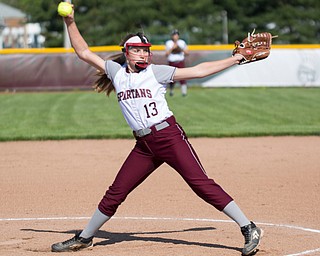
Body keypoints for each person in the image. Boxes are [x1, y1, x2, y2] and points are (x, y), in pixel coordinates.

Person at [51, 5, 263, 256]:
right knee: (116, 192)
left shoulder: (156, 72)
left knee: (200, 184)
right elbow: (83, 51)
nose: (142, 55)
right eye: (136, 50)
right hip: (144, 146)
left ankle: (248, 227)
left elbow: (197, 71)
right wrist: (70, 21)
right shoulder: (116, 73)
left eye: (145, 51)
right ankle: (85, 238)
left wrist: (236, 58)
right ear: (126, 53)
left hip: (169, 137)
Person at [165, 29, 189, 97]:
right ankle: (171, 91)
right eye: (174, 35)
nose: (175, 36)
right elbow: (166, 54)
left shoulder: (182, 42)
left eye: (176, 35)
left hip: (180, 61)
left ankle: (184, 92)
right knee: (172, 78)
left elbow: (187, 53)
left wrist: (179, 48)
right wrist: (172, 48)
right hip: (172, 61)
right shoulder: (169, 43)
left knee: (183, 77)